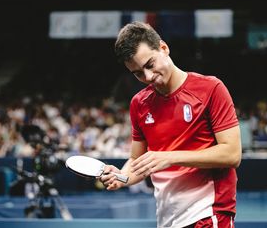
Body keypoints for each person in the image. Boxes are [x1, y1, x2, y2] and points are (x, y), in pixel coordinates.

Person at [100, 21, 242, 228]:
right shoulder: (139, 104)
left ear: (164, 48)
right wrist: (121, 177)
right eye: (138, 73)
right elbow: (137, 160)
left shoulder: (211, 88)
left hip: (209, 213)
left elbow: (232, 154)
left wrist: (169, 158)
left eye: (150, 65)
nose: (147, 77)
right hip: (167, 219)